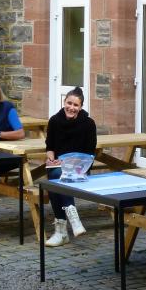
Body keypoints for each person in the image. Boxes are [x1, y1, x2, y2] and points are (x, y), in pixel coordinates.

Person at [45, 87, 97, 247]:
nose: (71, 108)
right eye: (69, 103)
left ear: (81, 107)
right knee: (56, 175)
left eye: (76, 105)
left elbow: (90, 153)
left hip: (80, 168)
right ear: (64, 102)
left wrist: (73, 164)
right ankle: (73, 218)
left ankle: (61, 232)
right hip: (58, 166)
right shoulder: (54, 121)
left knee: (55, 180)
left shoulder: (88, 124)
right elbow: (50, 147)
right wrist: (51, 159)